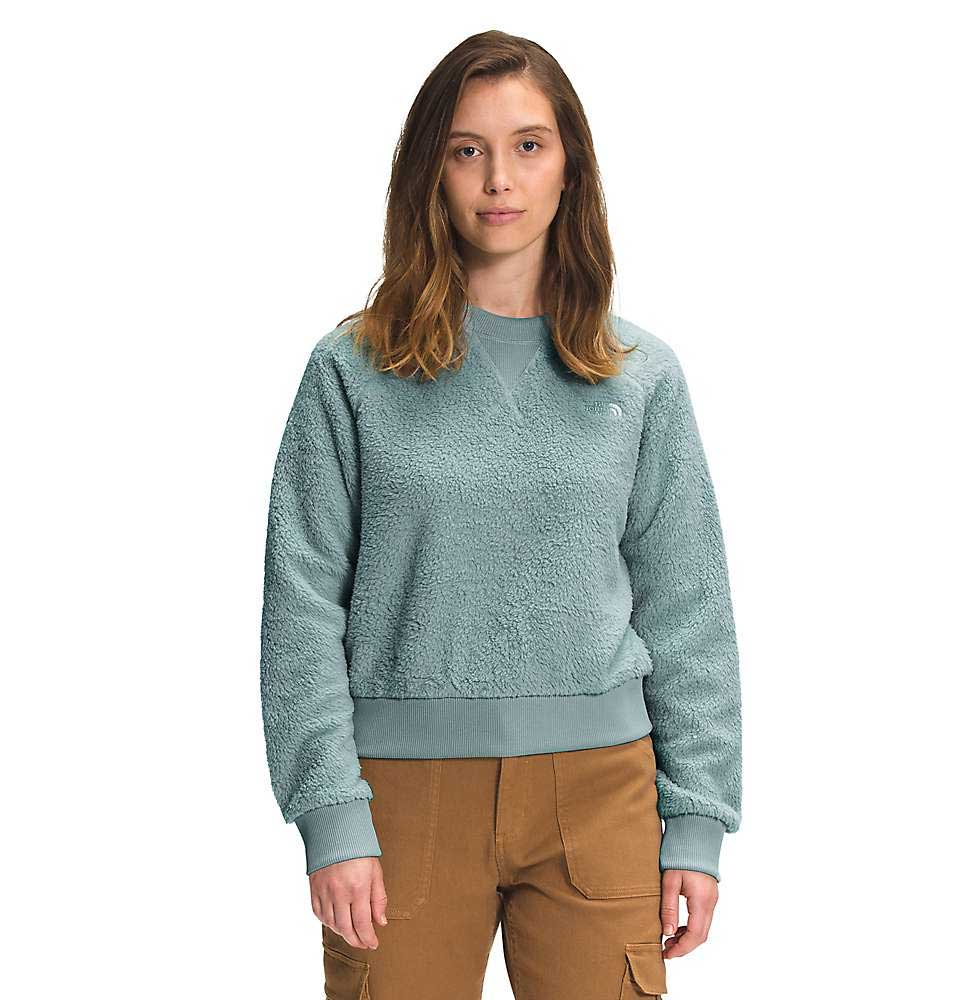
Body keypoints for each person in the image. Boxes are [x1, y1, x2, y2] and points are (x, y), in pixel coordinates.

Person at [259, 29, 742, 1000]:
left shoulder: (640, 377)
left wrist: (696, 818)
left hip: (602, 794)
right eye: (466, 149)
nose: (498, 179)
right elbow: (300, 607)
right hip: (399, 800)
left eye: (528, 145)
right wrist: (330, 813)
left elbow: (687, 606)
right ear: (429, 173)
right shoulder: (351, 372)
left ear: (571, 168)